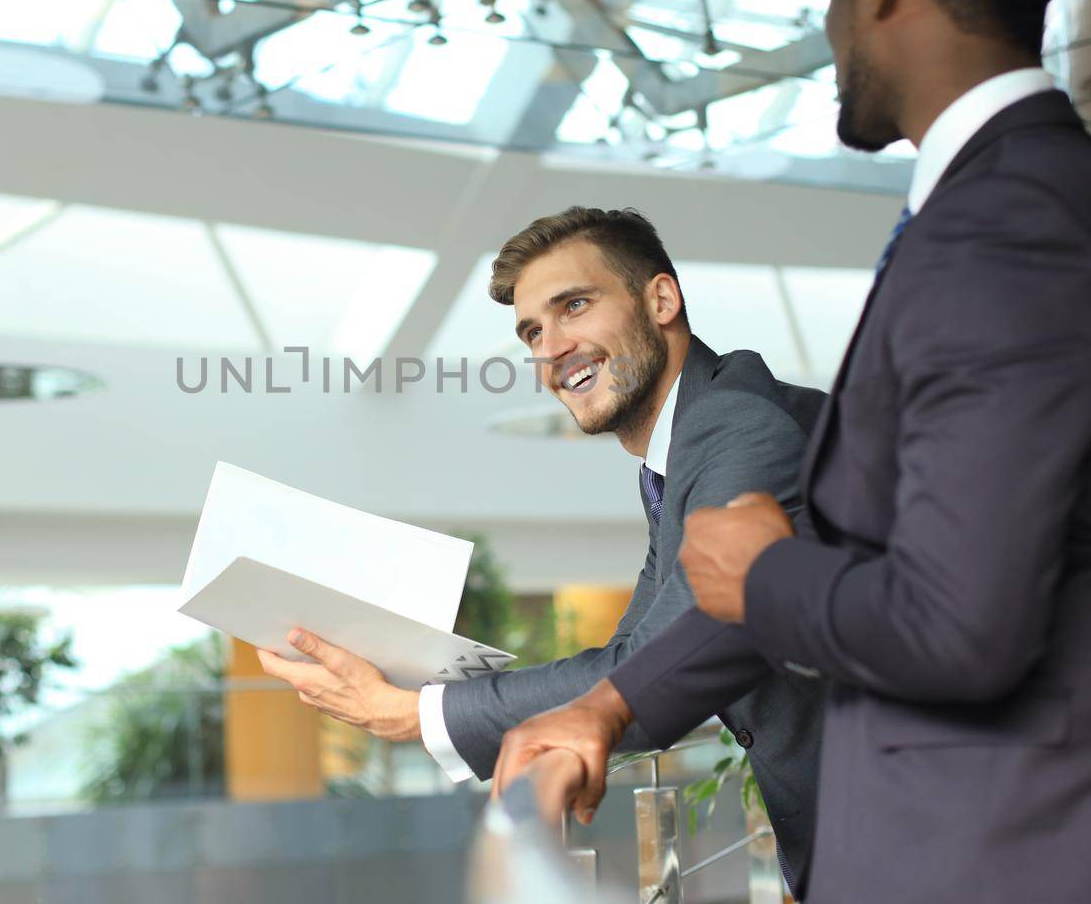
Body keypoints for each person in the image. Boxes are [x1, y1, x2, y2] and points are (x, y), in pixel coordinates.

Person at [491, 0, 1091, 901]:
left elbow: (962, 623)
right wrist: (606, 704)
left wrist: (764, 571)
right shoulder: (997, 205)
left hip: (1031, 848)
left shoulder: (1011, 223)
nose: (826, 31)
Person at [257, 207, 827, 890]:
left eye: (575, 306)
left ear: (662, 299)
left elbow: (641, 669)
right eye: (533, 331)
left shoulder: (738, 430)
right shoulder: (677, 458)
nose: (552, 348)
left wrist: (415, 713)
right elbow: (636, 659)